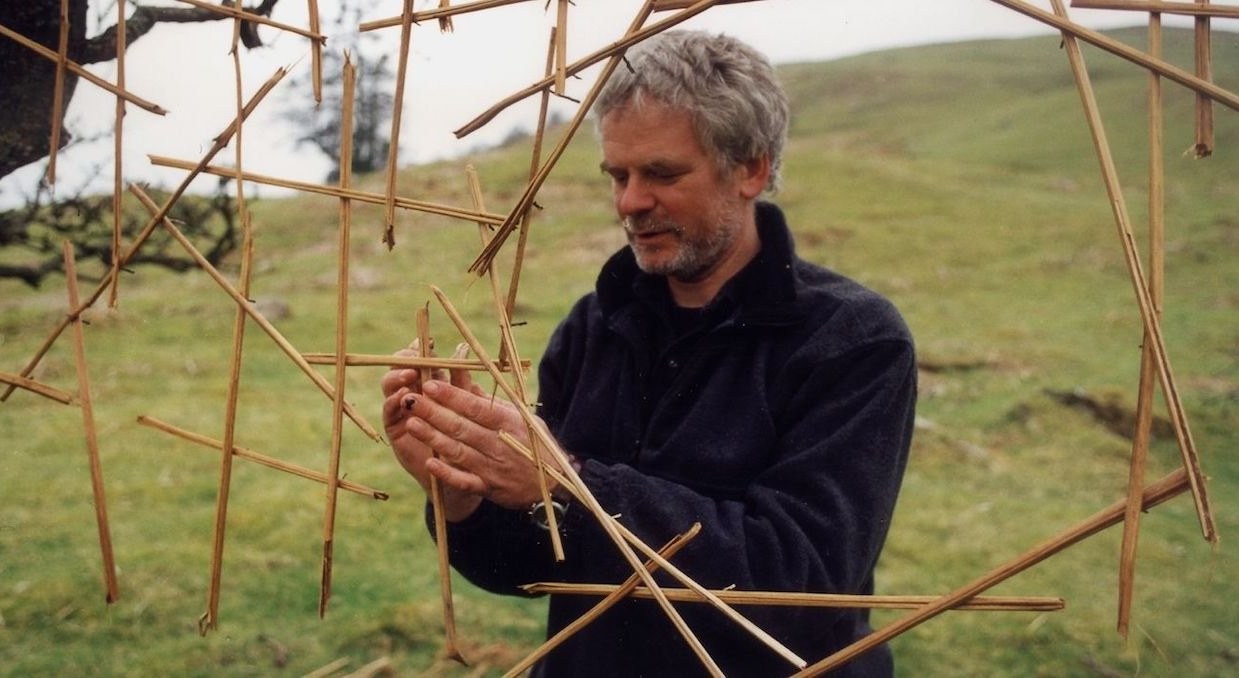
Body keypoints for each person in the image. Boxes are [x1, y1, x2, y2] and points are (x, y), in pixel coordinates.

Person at [381, 30, 916, 677]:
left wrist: (567, 484)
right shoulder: (593, 325)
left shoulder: (852, 339)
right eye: (618, 175)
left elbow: (804, 577)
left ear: (749, 167)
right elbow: (529, 570)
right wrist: (465, 489)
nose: (630, 202)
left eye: (661, 174)